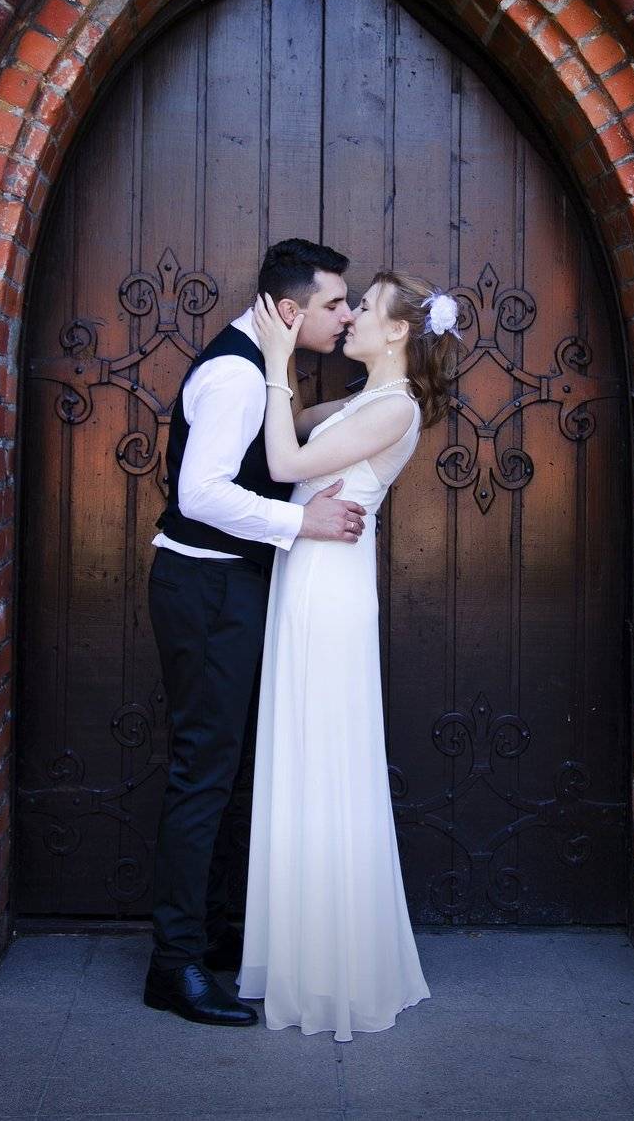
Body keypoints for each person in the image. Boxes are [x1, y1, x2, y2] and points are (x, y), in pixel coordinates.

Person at [143, 240, 369, 1028]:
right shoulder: (237, 375)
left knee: (225, 769)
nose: (345, 316)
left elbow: (268, 453)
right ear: (289, 309)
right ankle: (173, 965)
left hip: (226, 589)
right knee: (203, 773)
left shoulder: (262, 366)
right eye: (334, 304)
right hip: (205, 590)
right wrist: (301, 523)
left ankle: (208, 938)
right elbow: (200, 494)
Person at [237, 269, 461, 1040]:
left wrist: (275, 362)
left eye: (364, 308)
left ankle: (333, 968)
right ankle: (301, 953)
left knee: (326, 755)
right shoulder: (366, 400)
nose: (352, 317)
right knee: (304, 753)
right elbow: (300, 425)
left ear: (397, 330)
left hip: (328, 591)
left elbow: (283, 464)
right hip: (307, 577)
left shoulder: (395, 409)